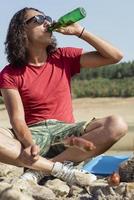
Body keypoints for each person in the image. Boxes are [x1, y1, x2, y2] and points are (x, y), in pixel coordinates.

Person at [0, 7, 128, 186]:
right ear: (21, 31)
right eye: (38, 19)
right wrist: (30, 145)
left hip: (66, 135)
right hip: (33, 134)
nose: (46, 22)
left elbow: (115, 56)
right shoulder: (9, 73)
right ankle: (58, 170)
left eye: (47, 18)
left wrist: (80, 32)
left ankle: (40, 170)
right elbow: (17, 120)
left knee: (117, 124)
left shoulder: (63, 56)